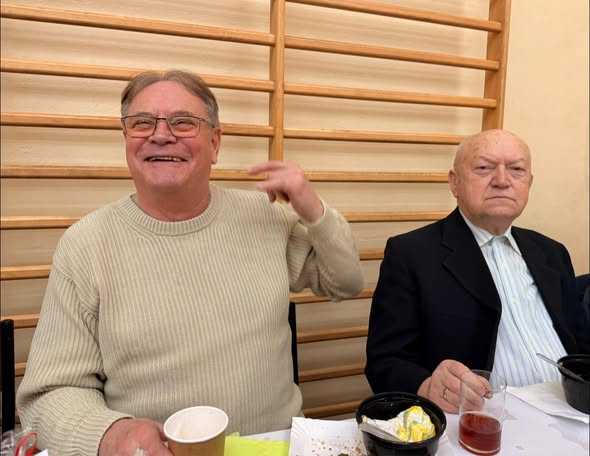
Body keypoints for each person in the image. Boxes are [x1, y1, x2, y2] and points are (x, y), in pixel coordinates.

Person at [16, 70, 363, 455]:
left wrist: (312, 208)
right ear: (126, 139)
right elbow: (48, 395)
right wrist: (111, 435)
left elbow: (345, 281)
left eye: (183, 122)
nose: (161, 134)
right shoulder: (85, 245)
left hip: (274, 447)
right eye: (142, 123)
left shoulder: (266, 217)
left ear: (214, 144)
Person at [365, 129, 590, 414]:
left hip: (574, 411)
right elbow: (385, 361)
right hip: (480, 418)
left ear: (529, 183)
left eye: (516, 169)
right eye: (484, 168)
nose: (502, 180)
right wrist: (426, 386)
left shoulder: (553, 252)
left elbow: (581, 346)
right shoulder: (411, 254)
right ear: (454, 182)